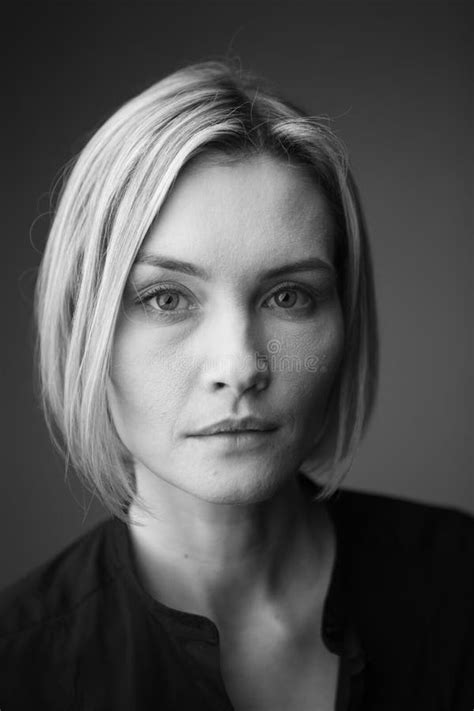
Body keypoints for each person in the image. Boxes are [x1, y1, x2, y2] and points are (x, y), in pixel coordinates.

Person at [0, 60, 473, 711]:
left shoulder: (459, 583)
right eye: (166, 298)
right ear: (85, 326)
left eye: (288, 295)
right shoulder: (19, 667)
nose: (240, 365)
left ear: (344, 313)